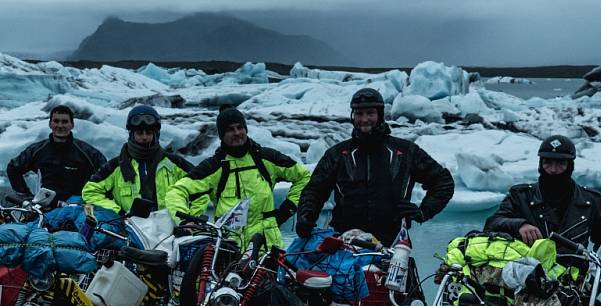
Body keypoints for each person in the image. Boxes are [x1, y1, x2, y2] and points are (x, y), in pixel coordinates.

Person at [295, 87, 454, 246]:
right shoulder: (337, 154)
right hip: (345, 245)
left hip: (393, 244)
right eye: (359, 114)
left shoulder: (405, 151)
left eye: (370, 113)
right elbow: (314, 191)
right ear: (353, 116)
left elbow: (443, 181)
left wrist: (423, 212)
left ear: (380, 115)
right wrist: (306, 216)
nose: (364, 119)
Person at [165, 106, 311, 249]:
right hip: (230, 248)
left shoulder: (266, 158)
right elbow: (176, 192)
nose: (236, 133)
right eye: (230, 129)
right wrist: (185, 221)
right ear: (222, 135)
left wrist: (287, 209)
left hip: (267, 248)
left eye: (240, 127)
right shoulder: (214, 167)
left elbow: (304, 176)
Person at [484, 134, 601, 271]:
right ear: (540, 164)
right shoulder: (521, 196)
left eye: (560, 163)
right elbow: (492, 224)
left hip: (574, 282)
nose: (553, 170)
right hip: (528, 279)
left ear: (570, 165)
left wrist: (598, 280)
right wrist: (519, 225)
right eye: (548, 162)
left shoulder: (590, 201)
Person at [82, 106, 194, 217]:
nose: (144, 137)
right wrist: (118, 213)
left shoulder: (175, 163)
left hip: (171, 228)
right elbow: (90, 192)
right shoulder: (116, 166)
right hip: (132, 229)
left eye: (149, 133)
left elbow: (201, 188)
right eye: (139, 133)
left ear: (156, 134)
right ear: (132, 134)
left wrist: (187, 219)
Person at [5, 105, 106, 205]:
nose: (60, 125)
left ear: (72, 125)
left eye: (65, 121)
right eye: (56, 121)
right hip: (44, 208)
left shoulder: (87, 152)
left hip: (76, 209)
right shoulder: (38, 150)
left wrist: (96, 200)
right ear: (50, 124)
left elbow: (108, 175)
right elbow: (13, 168)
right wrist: (26, 196)